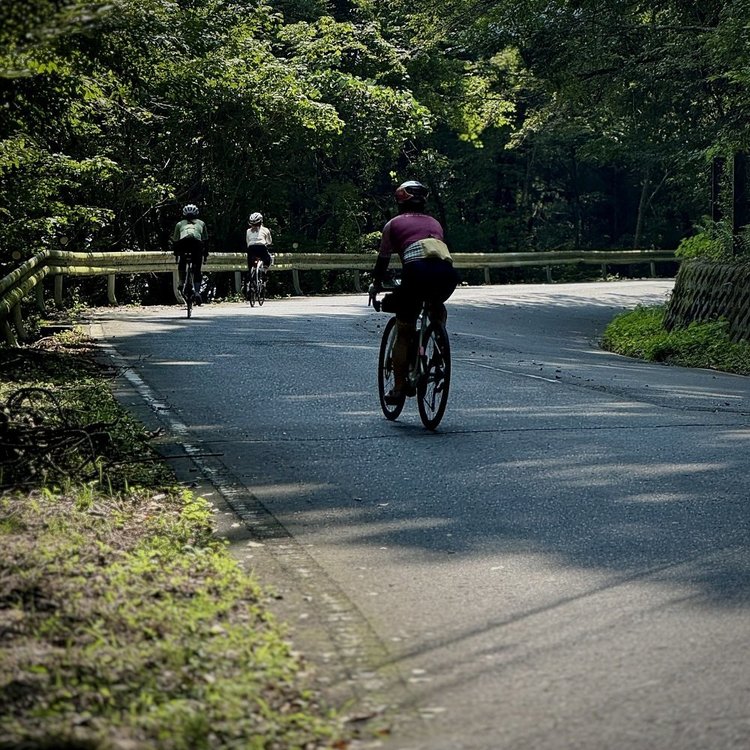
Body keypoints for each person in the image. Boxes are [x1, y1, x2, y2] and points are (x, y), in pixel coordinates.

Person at [372, 180, 459, 403]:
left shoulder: (393, 225)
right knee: (436, 304)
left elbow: (382, 262)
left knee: (404, 328)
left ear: (399, 201)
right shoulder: (435, 223)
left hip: (417, 273)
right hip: (447, 274)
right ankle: (439, 341)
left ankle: (399, 388)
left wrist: (376, 284)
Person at [172, 204, 208, 304]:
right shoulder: (201, 223)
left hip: (183, 244)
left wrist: (176, 255)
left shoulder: (179, 224)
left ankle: (181, 282)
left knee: (182, 263)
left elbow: (175, 241)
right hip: (197, 244)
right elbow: (205, 240)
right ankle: (196, 292)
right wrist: (205, 255)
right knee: (197, 269)